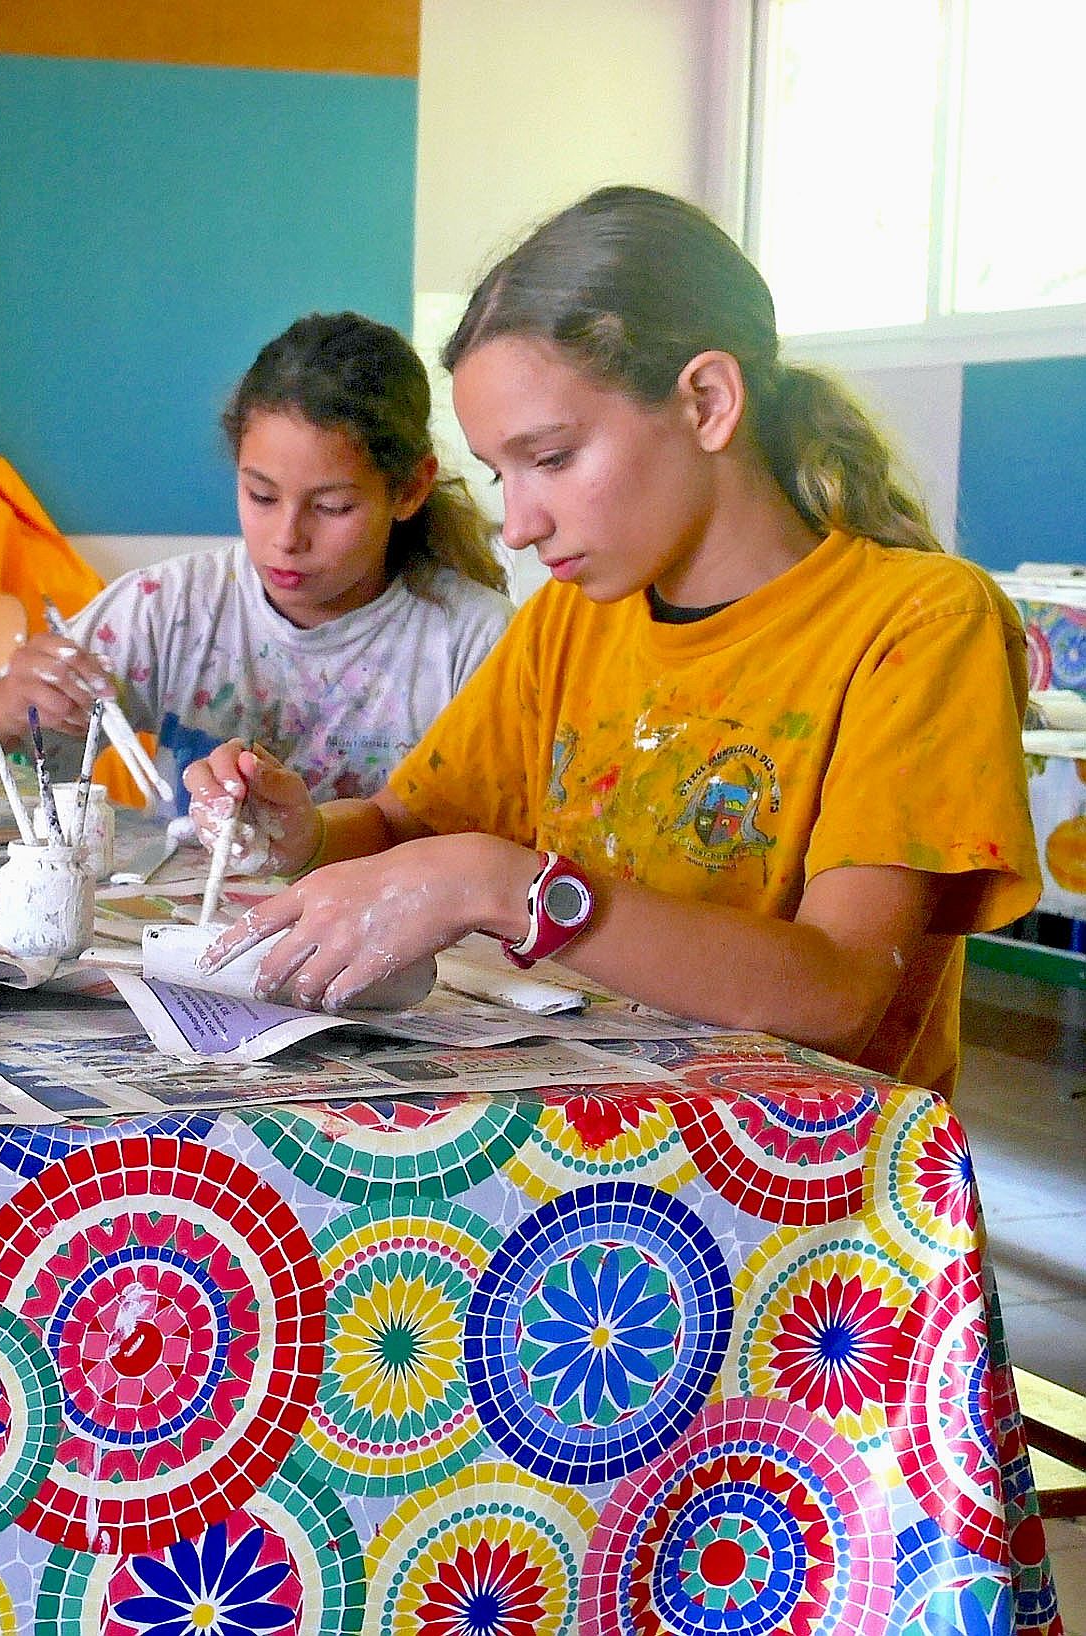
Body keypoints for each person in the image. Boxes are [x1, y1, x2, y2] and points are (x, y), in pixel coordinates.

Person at [186, 186, 1038, 1094]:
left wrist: (502, 884)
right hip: (582, 1160)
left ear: (707, 401)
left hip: (794, 1195)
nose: (515, 526)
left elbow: (835, 991)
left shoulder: (921, 626)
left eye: (550, 459)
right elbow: (407, 826)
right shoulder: (570, 619)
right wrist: (304, 832)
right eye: (499, 474)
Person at [0, 312, 510, 804]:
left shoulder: (471, 642)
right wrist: (11, 698)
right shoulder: (171, 609)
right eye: (261, 496)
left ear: (408, 490)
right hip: (187, 941)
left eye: (332, 507)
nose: (285, 538)